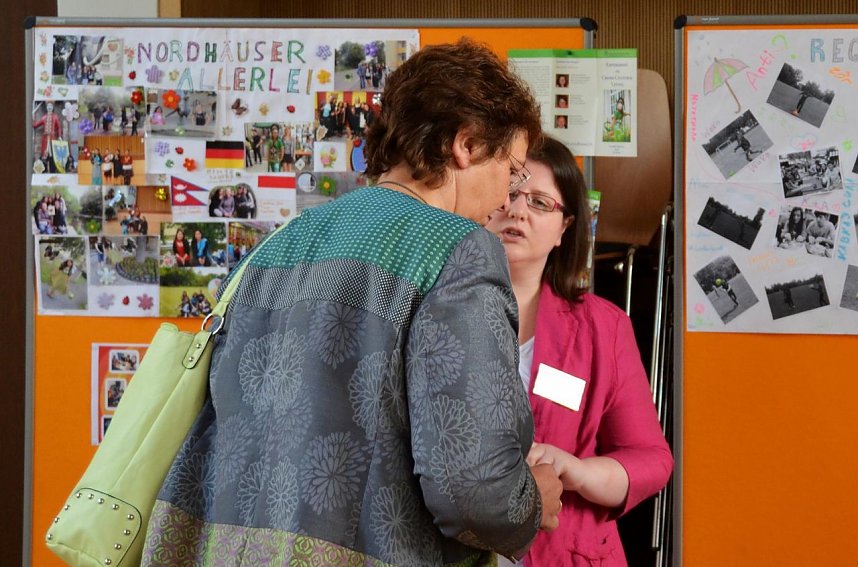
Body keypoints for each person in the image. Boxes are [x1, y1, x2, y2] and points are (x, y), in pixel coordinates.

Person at [142, 39, 563, 566]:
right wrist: (530, 502)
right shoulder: (459, 249)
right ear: (467, 144)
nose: (506, 199)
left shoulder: (282, 240)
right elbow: (473, 486)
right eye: (512, 169)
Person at [485, 135, 673, 566]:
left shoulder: (603, 328)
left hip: (566, 551)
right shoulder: (435, 310)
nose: (517, 210)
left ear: (565, 228)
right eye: (509, 193)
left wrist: (578, 471)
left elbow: (651, 460)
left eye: (540, 203)